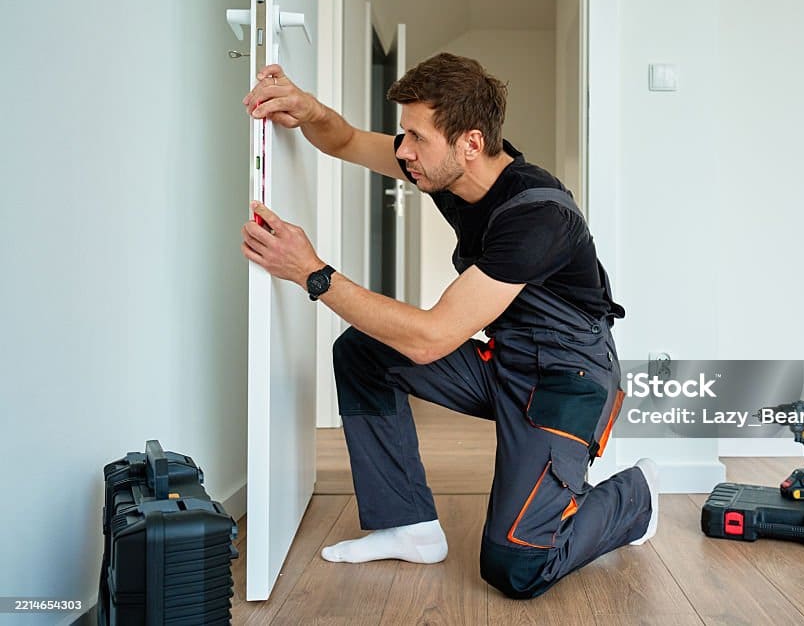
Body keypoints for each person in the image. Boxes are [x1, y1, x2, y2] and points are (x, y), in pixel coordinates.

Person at [240, 53, 658, 599]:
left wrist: (313, 274)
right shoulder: (447, 173)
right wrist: (306, 106)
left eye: (416, 137)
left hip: (567, 382)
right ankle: (408, 525)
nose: (403, 150)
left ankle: (638, 497)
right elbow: (343, 140)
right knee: (364, 351)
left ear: (471, 142)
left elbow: (433, 337)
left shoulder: (537, 217)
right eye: (403, 134)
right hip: (506, 361)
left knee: (517, 567)